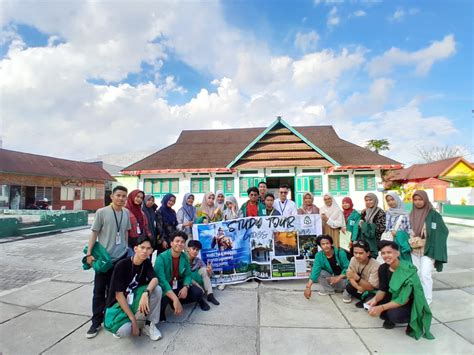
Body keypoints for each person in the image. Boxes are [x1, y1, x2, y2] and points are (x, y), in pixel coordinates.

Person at [85, 185, 131, 339]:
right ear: (111, 196)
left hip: (121, 259)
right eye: (118, 195)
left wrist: (126, 249)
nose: (121, 198)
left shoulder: (126, 212)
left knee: (115, 291)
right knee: (99, 291)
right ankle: (96, 321)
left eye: (124, 196)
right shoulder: (102, 212)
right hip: (105, 260)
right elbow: (94, 233)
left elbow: (125, 233)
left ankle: (110, 319)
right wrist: (90, 254)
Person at [366, 241, 434, 340]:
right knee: (369, 300)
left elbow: (404, 299)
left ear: (397, 253)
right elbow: (382, 289)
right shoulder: (383, 268)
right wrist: (375, 300)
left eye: (389, 252)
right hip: (393, 297)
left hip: (408, 303)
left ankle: (411, 319)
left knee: (394, 315)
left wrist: (381, 307)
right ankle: (387, 312)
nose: (386, 256)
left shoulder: (407, 269)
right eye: (383, 253)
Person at [104, 236, 162, 341]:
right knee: (124, 331)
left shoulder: (146, 263)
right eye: (142, 247)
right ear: (135, 249)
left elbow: (155, 279)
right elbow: (119, 295)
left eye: (148, 248)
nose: (145, 251)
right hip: (117, 303)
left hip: (133, 296)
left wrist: (146, 293)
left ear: (151, 251)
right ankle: (126, 320)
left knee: (157, 289)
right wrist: (133, 320)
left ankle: (149, 325)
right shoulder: (122, 265)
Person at [155, 231, 210, 321]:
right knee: (161, 292)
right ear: (171, 243)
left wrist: (185, 287)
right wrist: (175, 299)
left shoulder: (184, 256)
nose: (180, 244)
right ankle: (163, 310)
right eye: (177, 241)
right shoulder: (161, 258)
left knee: (198, 292)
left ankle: (198, 300)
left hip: (177, 283)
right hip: (166, 285)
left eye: (182, 242)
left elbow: (188, 275)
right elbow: (162, 281)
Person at [408, 190, 448, 305]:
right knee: (417, 274)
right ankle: (419, 296)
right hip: (414, 250)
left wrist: (429, 240)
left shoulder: (433, 215)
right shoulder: (411, 214)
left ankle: (427, 299)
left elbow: (443, 231)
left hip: (428, 250)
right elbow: (407, 229)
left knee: (425, 274)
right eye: (415, 200)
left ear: (425, 199)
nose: (418, 202)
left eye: (420, 199)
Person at [344, 240, 380, 306]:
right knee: (349, 287)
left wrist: (357, 278)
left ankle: (364, 298)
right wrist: (357, 287)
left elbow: (371, 287)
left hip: (371, 289)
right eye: (355, 253)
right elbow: (349, 275)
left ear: (368, 253)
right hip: (360, 286)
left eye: (361, 253)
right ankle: (362, 297)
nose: (357, 255)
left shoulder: (375, 265)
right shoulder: (353, 259)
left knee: (370, 300)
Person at [187, 240, 220, 306]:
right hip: (187, 281)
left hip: (194, 280)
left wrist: (209, 271)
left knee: (204, 270)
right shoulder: (183, 259)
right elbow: (184, 276)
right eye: (193, 249)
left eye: (197, 250)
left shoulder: (198, 261)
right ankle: (199, 297)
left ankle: (210, 295)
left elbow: (209, 275)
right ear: (188, 249)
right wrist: (198, 286)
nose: (195, 251)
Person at [384, 192, 411, 263]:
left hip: (402, 242)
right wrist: (391, 231)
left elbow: (409, 229)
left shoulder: (406, 214)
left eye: (392, 199)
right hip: (392, 242)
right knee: (394, 263)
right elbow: (387, 227)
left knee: (405, 262)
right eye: (388, 201)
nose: (390, 202)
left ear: (397, 199)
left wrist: (399, 234)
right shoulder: (388, 213)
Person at [359, 193, 386, 258]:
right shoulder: (364, 212)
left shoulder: (380, 212)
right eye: (366, 200)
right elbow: (360, 226)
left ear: (375, 200)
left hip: (375, 241)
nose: (368, 202)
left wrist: (367, 227)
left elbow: (381, 228)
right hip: (365, 241)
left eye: (370, 200)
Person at [126, 189, 152, 256]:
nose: (139, 199)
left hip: (140, 240)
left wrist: (149, 236)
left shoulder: (141, 211)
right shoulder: (125, 211)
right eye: (137, 196)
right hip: (128, 242)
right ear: (132, 196)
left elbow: (145, 225)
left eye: (141, 198)